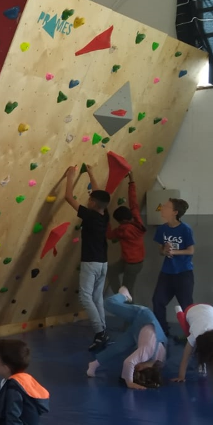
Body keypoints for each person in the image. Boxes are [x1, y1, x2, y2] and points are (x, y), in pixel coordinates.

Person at [63, 164, 110, 351]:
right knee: (97, 297)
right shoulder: (103, 215)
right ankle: (104, 331)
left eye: (90, 198)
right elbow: (99, 194)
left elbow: (68, 197)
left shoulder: (90, 216)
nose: (88, 198)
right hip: (102, 263)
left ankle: (99, 332)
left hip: (91, 262)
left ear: (93, 204)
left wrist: (70, 176)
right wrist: (91, 173)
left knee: (85, 297)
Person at [87, 288, 166, 390]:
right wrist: (130, 383)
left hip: (139, 332)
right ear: (142, 367)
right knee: (108, 303)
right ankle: (123, 294)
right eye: (137, 369)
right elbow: (128, 362)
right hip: (143, 316)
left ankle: (93, 364)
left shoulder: (159, 362)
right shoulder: (147, 351)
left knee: (118, 347)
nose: (136, 367)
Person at [152, 198, 195, 338]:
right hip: (166, 272)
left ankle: (191, 335)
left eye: (166, 206)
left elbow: (190, 250)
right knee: (158, 301)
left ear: (175, 212)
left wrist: (174, 252)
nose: (162, 208)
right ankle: (162, 332)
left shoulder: (185, 229)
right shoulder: (162, 229)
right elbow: (160, 250)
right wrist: (165, 251)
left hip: (183, 273)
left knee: (187, 306)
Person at [107, 172, 146, 296]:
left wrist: (105, 218)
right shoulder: (137, 222)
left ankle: (125, 304)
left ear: (121, 221)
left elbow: (109, 235)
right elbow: (133, 203)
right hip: (133, 262)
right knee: (111, 271)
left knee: (127, 290)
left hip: (131, 265)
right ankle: (119, 296)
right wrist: (131, 180)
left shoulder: (123, 230)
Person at [172, 303, 213, 383]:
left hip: (209, 309)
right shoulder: (194, 335)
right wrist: (181, 376)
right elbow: (185, 357)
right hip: (191, 310)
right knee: (186, 331)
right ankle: (179, 312)